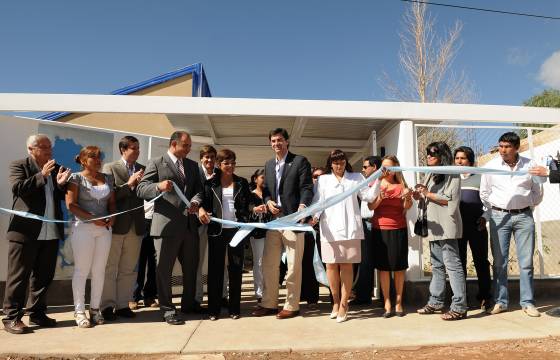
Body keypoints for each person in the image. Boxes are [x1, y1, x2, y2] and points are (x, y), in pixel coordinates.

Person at [2, 134, 71, 334]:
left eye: (50, 146)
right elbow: (18, 189)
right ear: (31, 149)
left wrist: (60, 184)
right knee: (18, 277)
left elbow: (59, 197)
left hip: (49, 232)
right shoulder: (19, 165)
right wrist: (42, 176)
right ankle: (12, 317)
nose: (49, 150)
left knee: (43, 276)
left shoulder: (56, 168)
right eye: (44, 147)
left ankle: (37, 313)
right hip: (25, 232)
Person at [136, 131, 203, 325]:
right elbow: (141, 189)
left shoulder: (192, 166)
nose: (189, 149)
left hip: (189, 227)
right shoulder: (157, 162)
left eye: (190, 146)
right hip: (166, 227)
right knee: (163, 270)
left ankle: (189, 305)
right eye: (186, 146)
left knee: (190, 269)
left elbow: (198, 190)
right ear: (174, 144)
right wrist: (158, 186)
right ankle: (167, 309)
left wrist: (196, 201)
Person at [480, 132, 544, 317]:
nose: (503, 150)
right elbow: (484, 193)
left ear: (517, 148)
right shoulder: (490, 166)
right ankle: (501, 301)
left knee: (526, 262)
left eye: (507, 146)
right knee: (500, 262)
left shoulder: (530, 165)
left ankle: (527, 303)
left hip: (524, 217)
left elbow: (537, 191)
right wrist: (497, 207)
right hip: (499, 217)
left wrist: (526, 205)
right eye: (500, 146)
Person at [252, 128, 313, 319]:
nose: (276, 144)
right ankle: (269, 303)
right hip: (274, 221)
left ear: (286, 142)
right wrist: (268, 201)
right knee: (269, 264)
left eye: (279, 140)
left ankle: (292, 305)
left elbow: (306, 187)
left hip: (293, 219)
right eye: (273, 141)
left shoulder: (300, 161)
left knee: (294, 265)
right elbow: (268, 190)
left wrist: (303, 206)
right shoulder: (269, 164)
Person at [311, 149, 375, 323]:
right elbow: (318, 202)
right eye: (336, 162)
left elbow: (368, 196)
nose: (339, 165)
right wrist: (314, 218)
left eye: (342, 162)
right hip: (328, 228)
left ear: (346, 162)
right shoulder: (323, 180)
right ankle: (335, 302)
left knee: (347, 266)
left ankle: (344, 305)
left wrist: (378, 180)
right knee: (331, 266)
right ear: (330, 164)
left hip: (350, 229)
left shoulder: (356, 178)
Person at [414, 142, 467, 321]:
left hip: (447, 225)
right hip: (433, 225)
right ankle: (436, 301)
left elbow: (450, 200)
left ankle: (459, 306)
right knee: (437, 265)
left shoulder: (452, 173)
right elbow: (428, 198)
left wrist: (427, 194)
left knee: (452, 265)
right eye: (427, 153)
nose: (428, 156)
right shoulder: (430, 173)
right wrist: (419, 195)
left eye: (433, 154)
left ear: (442, 155)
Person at [198, 149, 253, 320]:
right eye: (226, 163)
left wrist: (254, 209)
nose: (230, 166)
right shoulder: (210, 183)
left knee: (236, 270)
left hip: (237, 232)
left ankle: (234, 309)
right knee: (215, 271)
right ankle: (213, 310)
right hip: (217, 231)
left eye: (233, 162)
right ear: (219, 164)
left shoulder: (242, 183)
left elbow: (249, 203)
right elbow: (203, 202)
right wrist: (200, 209)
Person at [66, 146, 116, 328]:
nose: (98, 160)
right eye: (93, 157)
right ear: (83, 160)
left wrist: (112, 216)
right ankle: (79, 311)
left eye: (99, 157)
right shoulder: (75, 178)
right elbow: (71, 205)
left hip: (104, 231)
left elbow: (112, 202)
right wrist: (94, 219)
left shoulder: (108, 178)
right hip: (83, 229)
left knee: (99, 271)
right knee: (82, 271)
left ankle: (95, 309)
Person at [101, 136, 145, 321]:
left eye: (138, 148)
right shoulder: (110, 168)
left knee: (129, 269)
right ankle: (107, 306)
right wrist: (129, 185)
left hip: (136, 226)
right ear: (122, 150)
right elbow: (107, 195)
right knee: (110, 267)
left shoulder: (143, 168)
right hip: (117, 225)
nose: (136, 151)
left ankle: (122, 305)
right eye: (132, 148)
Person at [369, 155, 412, 317]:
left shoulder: (402, 185)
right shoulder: (377, 184)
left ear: (395, 169)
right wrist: (380, 197)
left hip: (398, 228)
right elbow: (370, 205)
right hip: (380, 229)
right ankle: (387, 302)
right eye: (383, 167)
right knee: (384, 268)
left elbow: (406, 207)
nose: (386, 171)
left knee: (400, 267)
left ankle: (399, 302)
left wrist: (407, 197)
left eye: (389, 167)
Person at [453, 146, 492, 311]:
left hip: (477, 226)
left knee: (481, 262)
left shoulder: (481, 177)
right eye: (457, 158)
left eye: (463, 158)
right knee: (459, 263)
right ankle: (463, 299)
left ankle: (484, 297)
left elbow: (490, 202)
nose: (459, 161)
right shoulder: (452, 178)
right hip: (457, 227)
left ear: (470, 160)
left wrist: (484, 218)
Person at [194, 144, 227, 312]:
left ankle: (222, 296)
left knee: (220, 261)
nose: (209, 160)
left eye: (212, 157)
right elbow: (190, 194)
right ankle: (198, 297)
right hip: (198, 223)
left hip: (217, 223)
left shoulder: (220, 174)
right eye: (206, 157)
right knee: (198, 262)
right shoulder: (194, 173)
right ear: (201, 158)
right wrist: (199, 209)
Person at [351, 155, 382, 306]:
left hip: (376, 223)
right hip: (365, 223)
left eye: (365, 167)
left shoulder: (381, 182)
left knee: (372, 261)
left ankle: (373, 296)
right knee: (365, 262)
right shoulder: (365, 182)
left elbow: (372, 200)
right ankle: (363, 295)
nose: (362, 170)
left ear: (374, 167)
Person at [248, 169, 270, 302]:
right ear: (255, 179)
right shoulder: (251, 195)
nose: (265, 180)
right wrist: (255, 211)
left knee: (270, 262)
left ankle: (270, 290)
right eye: (262, 177)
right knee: (259, 262)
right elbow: (246, 212)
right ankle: (259, 293)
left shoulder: (270, 195)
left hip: (272, 232)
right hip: (257, 233)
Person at [132, 200, 158, 309]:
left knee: (155, 262)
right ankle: (134, 297)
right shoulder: (142, 182)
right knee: (139, 261)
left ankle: (150, 296)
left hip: (158, 221)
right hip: (142, 220)